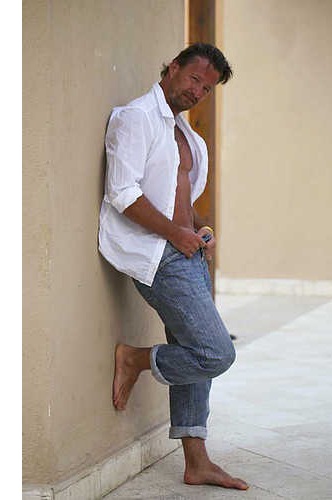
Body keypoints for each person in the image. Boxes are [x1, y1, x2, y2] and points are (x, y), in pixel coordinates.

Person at [98, 43, 248, 491]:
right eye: (194, 79)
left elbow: (176, 199)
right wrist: (175, 235)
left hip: (186, 252)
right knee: (215, 353)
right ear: (173, 67)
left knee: (194, 352)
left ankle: (196, 462)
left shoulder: (183, 132)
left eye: (207, 88)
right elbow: (122, 193)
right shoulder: (136, 118)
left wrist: (200, 229)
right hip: (159, 254)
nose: (198, 91)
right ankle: (134, 359)